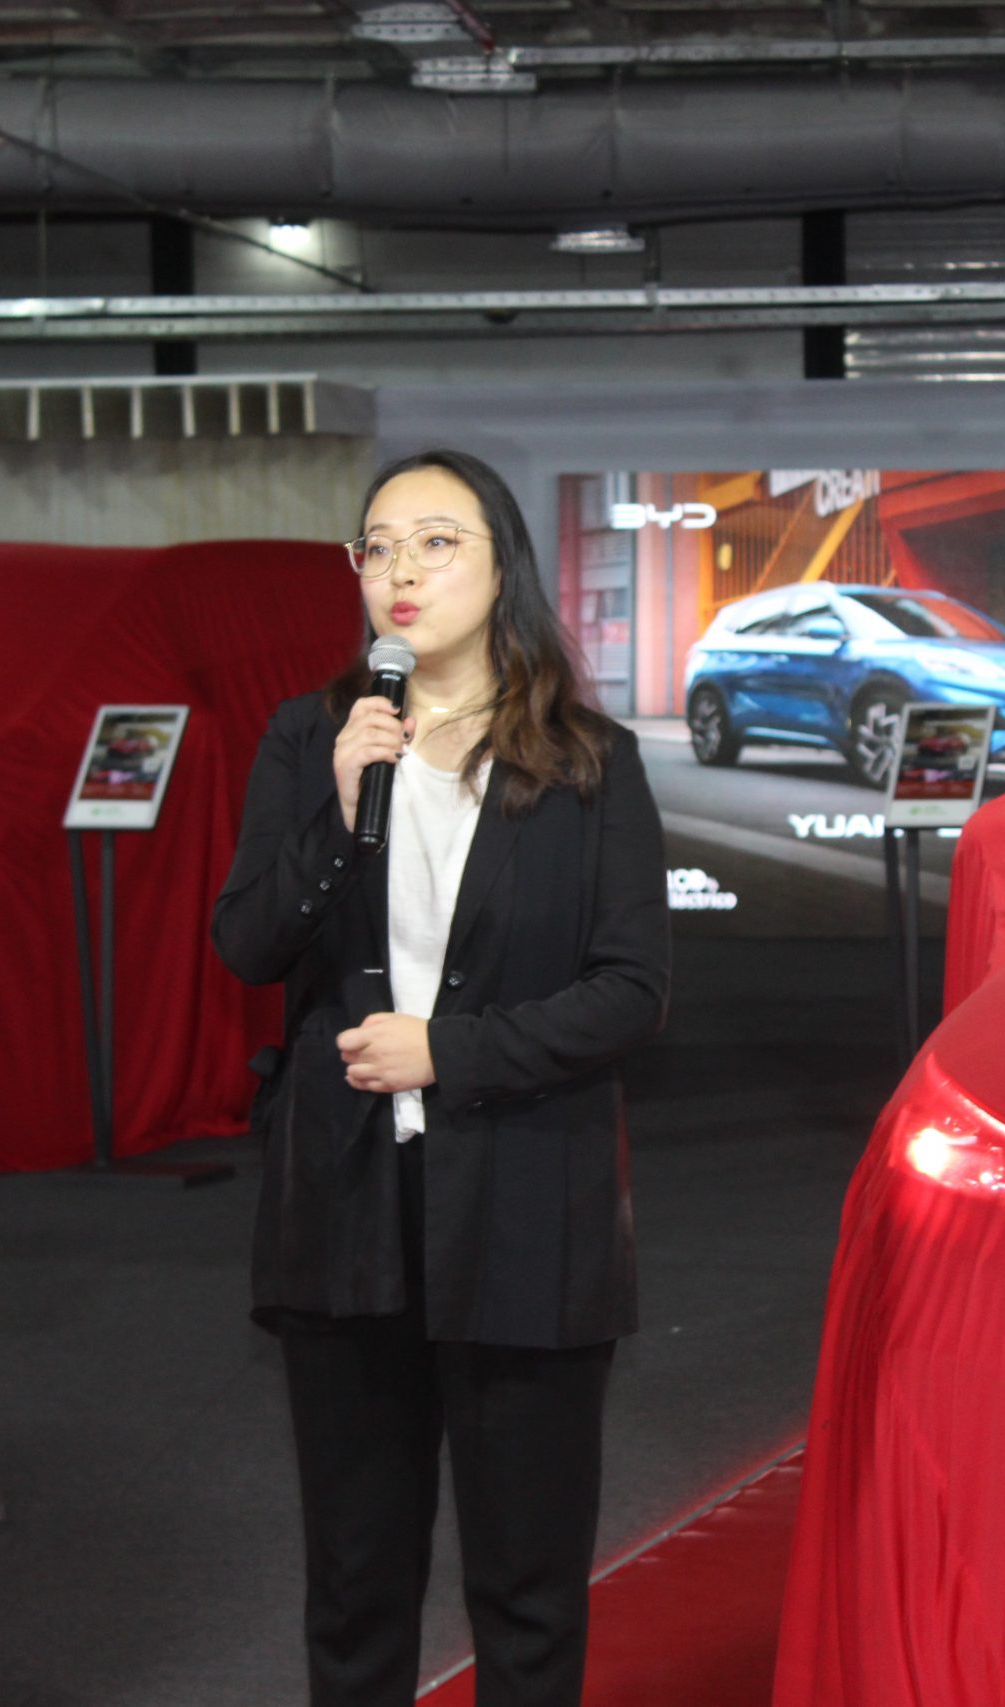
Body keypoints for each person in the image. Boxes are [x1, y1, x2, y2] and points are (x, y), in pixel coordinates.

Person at [212, 449, 671, 1707]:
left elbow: (631, 989)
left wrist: (447, 1050)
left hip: (527, 1199)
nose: (398, 570)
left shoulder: (588, 759)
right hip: (345, 1205)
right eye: (376, 546)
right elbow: (248, 943)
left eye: (434, 541)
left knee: (527, 1585)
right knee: (356, 1580)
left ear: (501, 564)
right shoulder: (312, 736)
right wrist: (336, 804)